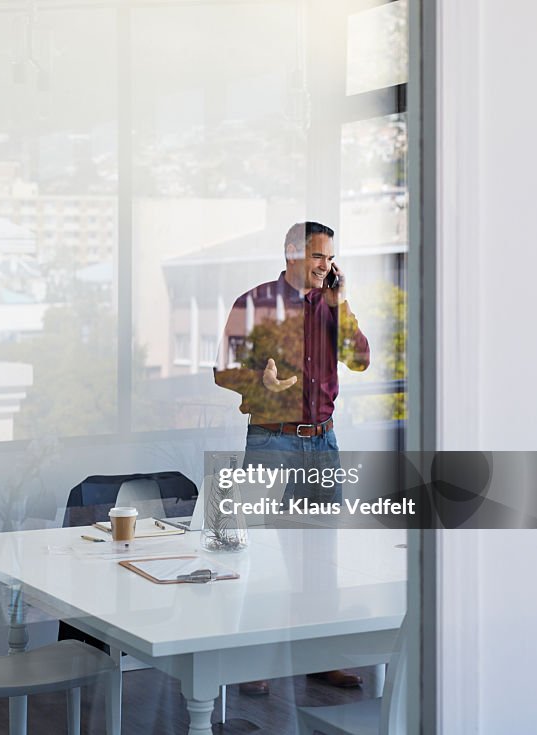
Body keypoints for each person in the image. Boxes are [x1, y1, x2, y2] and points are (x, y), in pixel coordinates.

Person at [213, 221, 370, 694]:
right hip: (271, 441)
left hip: (322, 443)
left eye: (329, 258)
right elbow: (222, 370)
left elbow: (360, 359)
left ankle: (320, 658)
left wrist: (339, 306)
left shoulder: (333, 304)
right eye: (318, 256)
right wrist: (254, 382)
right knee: (261, 557)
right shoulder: (254, 302)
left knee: (320, 559)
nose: (325, 265)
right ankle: (253, 664)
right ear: (292, 253)